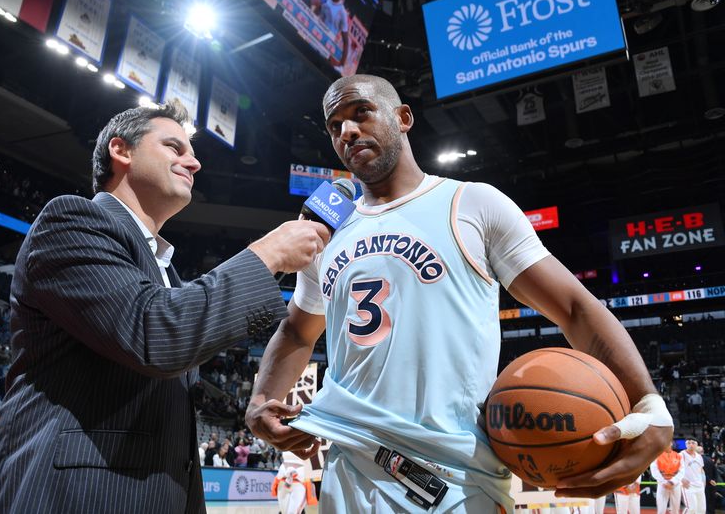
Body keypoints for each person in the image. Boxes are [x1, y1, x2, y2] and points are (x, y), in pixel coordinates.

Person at [246, 74, 673, 513]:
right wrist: (260, 399)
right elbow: (298, 332)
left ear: (403, 117)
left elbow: (574, 308)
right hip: (348, 472)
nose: (347, 131)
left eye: (360, 113)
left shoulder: (472, 204)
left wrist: (648, 400)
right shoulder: (325, 234)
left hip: (453, 482)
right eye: (335, 126)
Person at [0, 101, 330, 514]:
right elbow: (155, 335)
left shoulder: (168, 275)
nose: (194, 163)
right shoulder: (70, 221)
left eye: (192, 153)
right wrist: (266, 255)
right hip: (73, 498)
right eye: (174, 147)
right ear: (121, 151)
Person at [309, 0, 349, 68]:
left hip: (325, 49)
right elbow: (315, 12)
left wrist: (342, 62)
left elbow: (346, 41)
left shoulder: (342, 13)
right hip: (313, 40)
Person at [651, 443, 684, 514]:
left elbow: (682, 471)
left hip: (675, 484)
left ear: (671, 444)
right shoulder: (656, 456)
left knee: (675, 509)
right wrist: (663, 482)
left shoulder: (678, 456)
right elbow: (654, 470)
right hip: (663, 484)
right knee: (661, 509)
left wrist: (672, 481)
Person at [681, 438, 706, 513]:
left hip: (699, 486)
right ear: (686, 445)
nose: (691, 445)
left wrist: (703, 482)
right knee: (691, 508)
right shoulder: (682, 454)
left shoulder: (699, 457)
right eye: (688, 443)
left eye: (693, 443)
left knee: (701, 510)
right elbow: (674, 468)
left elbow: (701, 470)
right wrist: (682, 479)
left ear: (697, 445)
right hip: (688, 486)